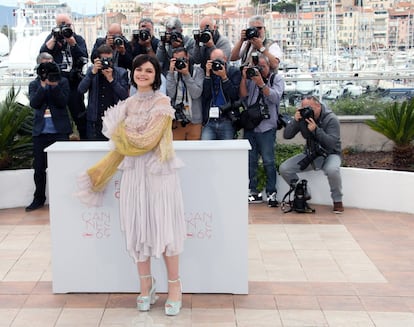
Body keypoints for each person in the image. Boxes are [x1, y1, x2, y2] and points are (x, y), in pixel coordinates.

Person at [76, 54, 186, 315]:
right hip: (134, 176)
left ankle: (175, 287)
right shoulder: (126, 104)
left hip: (158, 175)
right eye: (139, 70)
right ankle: (145, 287)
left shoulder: (163, 103)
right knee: (138, 231)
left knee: (165, 229)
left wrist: (122, 134)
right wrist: (118, 142)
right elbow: (119, 144)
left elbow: (146, 140)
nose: (143, 74)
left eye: (148, 70)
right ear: (133, 73)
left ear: (155, 75)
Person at [279, 96, 344, 213]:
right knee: (285, 168)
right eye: (303, 108)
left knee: (332, 170)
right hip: (312, 154)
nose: (306, 110)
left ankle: (337, 201)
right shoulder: (304, 118)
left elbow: (331, 143)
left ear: (318, 106)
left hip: (331, 154)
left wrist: (316, 130)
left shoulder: (331, 119)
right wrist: (295, 120)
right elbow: (287, 135)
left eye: (309, 107)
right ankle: (304, 193)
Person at [25, 52, 72, 212]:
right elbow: (34, 103)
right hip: (40, 132)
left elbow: (62, 102)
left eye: (50, 64)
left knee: (63, 168)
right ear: (38, 67)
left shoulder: (63, 82)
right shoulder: (34, 84)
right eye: (44, 65)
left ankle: (65, 197)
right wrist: (44, 86)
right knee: (39, 169)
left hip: (60, 131)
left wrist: (54, 85)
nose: (47, 68)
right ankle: (39, 198)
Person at [240, 55, 284, 207]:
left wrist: (261, 84)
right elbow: (243, 96)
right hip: (251, 126)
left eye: (263, 67)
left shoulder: (276, 79)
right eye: (258, 67)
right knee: (250, 161)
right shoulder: (251, 78)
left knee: (268, 161)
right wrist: (244, 78)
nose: (260, 70)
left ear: (269, 67)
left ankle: (271, 192)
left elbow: (276, 98)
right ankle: (253, 191)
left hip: (267, 127)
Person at [39, 13, 88, 139]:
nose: (65, 28)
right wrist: (54, 39)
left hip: (73, 82)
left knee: (79, 115)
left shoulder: (78, 39)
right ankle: (61, 139)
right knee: (58, 114)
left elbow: (84, 57)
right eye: (61, 25)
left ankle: (85, 139)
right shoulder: (52, 39)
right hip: (57, 82)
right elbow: (42, 55)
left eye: (67, 25)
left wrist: (73, 43)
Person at [78, 44, 129, 140]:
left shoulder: (121, 73)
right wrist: (92, 73)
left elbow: (125, 96)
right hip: (95, 120)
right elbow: (81, 90)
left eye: (109, 59)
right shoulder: (92, 71)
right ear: (98, 60)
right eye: (104, 60)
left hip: (114, 121)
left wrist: (111, 80)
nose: (106, 62)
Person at [201, 48, 241, 140]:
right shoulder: (208, 72)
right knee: (205, 150)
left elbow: (234, 95)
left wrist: (224, 77)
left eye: (219, 60)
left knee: (226, 152)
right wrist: (207, 75)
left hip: (227, 119)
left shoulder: (233, 71)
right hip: (210, 120)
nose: (216, 63)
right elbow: (205, 95)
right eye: (213, 61)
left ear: (225, 59)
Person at [166, 47, 204, 140]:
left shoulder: (197, 71)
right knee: (177, 152)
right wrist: (171, 72)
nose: (181, 62)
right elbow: (170, 94)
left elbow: (196, 94)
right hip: (177, 120)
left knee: (194, 152)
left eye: (183, 59)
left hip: (194, 120)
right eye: (177, 60)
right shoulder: (172, 74)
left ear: (188, 56)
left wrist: (186, 74)